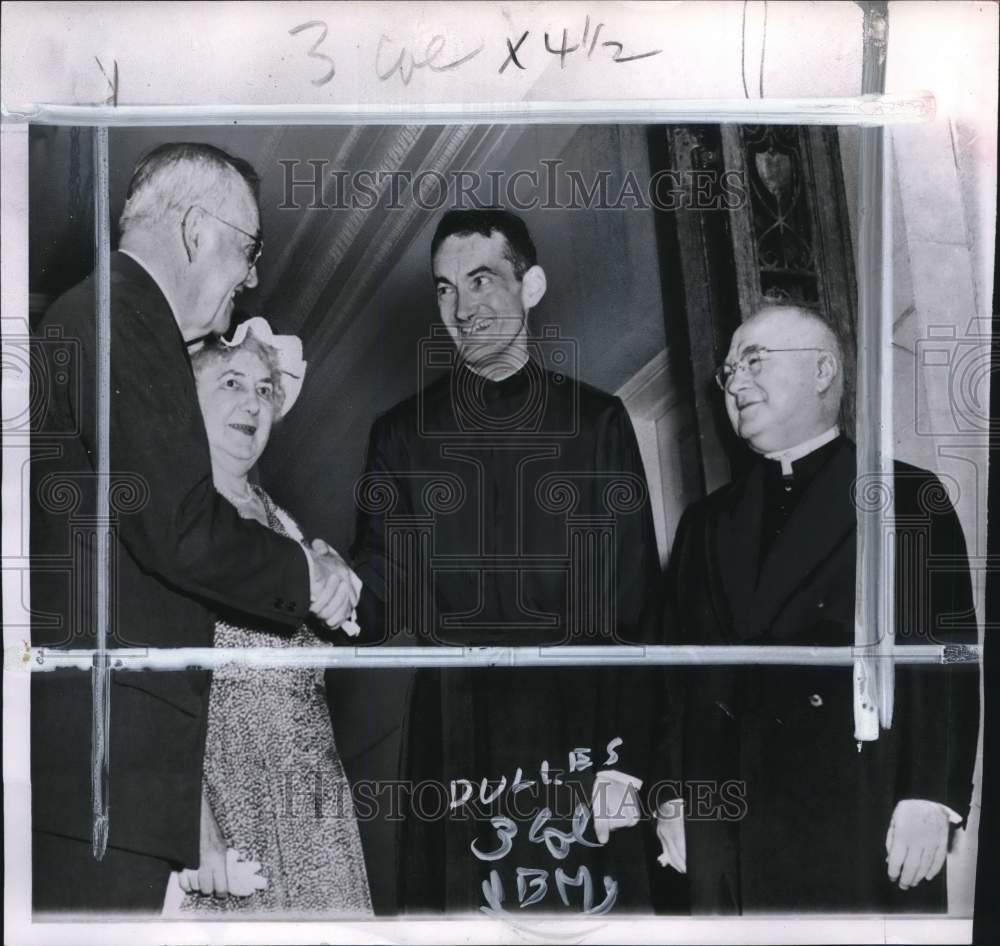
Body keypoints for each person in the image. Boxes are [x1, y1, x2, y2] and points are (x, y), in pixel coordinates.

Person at [30, 143, 359, 913]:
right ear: (191, 231)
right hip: (112, 783)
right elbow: (175, 527)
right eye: (246, 250)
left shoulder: (113, 318)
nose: (249, 278)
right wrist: (303, 576)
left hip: (125, 781)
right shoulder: (120, 313)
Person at [350, 208, 663, 914]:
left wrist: (626, 764)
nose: (460, 308)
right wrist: (311, 577)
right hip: (456, 732)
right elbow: (375, 601)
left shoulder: (597, 419)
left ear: (533, 285)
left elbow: (632, 601)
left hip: (580, 727)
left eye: (482, 280)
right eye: (443, 288)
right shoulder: (399, 434)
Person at [660, 303, 980, 912]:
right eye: (728, 372)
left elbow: (948, 657)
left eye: (754, 361)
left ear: (823, 371)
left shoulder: (907, 497)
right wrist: (673, 799)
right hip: (726, 826)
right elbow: (680, 680)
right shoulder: (702, 524)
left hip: (863, 810)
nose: (735, 383)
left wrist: (929, 796)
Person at [169, 318, 372, 915]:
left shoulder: (289, 525)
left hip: (313, 799)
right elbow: (152, 693)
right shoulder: (175, 524)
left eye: (265, 389)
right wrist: (193, 827)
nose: (253, 403)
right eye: (231, 382)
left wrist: (339, 586)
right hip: (226, 804)